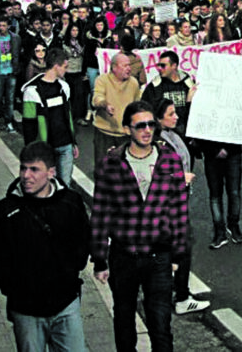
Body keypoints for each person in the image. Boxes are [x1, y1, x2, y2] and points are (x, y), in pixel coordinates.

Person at [91, 101, 189, 352]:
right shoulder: (112, 163)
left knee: (161, 326)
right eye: (140, 126)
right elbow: (101, 213)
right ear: (127, 130)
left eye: (151, 124)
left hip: (159, 255)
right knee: (124, 323)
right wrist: (100, 259)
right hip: (124, 255)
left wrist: (178, 254)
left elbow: (179, 211)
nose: (147, 130)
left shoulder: (170, 161)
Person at [0, 141, 91, 352]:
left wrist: (68, 273)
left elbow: (84, 241)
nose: (26, 175)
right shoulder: (3, 212)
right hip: (25, 309)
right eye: (23, 168)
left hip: (65, 304)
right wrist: (12, 284)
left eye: (34, 169)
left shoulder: (71, 203)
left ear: (51, 172)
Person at [154, 99, 211, 316]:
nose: (176, 117)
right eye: (171, 114)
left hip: (178, 201)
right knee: (181, 249)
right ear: (159, 119)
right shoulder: (160, 143)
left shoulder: (173, 135)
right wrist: (181, 178)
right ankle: (181, 297)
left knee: (176, 250)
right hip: (169, 205)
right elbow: (157, 174)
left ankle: (174, 293)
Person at [21, 48, 80, 187]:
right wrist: (32, 154)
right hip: (45, 149)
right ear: (56, 66)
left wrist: (73, 141)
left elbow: (68, 116)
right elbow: (28, 125)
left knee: (65, 186)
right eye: (65, 67)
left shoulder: (64, 87)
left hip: (65, 145)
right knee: (45, 188)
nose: (66, 70)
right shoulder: (32, 91)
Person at [91, 52, 142, 165]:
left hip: (125, 135)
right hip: (104, 134)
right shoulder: (102, 80)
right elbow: (97, 98)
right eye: (125, 66)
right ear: (114, 67)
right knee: (103, 169)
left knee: (124, 171)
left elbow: (137, 106)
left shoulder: (133, 83)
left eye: (129, 65)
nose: (129, 68)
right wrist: (105, 105)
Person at [141, 51, 195, 136]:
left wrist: (189, 102)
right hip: (163, 134)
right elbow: (145, 109)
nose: (159, 68)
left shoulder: (188, 84)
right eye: (158, 65)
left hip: (185, 132)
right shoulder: (155, 86)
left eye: (163, 65)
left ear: (174, 66)